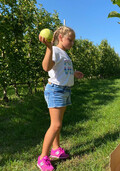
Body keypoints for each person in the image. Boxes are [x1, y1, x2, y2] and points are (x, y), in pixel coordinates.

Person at [37, 26, 84, 171]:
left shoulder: (64, 53)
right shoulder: (56, 50)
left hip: (64, 91)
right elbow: (46, 67)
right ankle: (43, 158)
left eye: (73, 41)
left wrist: (73, 73)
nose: (72, 43)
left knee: (58, 123)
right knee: (56, 125)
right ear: (61, 37)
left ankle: (56, 149)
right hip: (56, 90)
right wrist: (49, 48)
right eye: (70, 40)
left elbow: (61, 70)